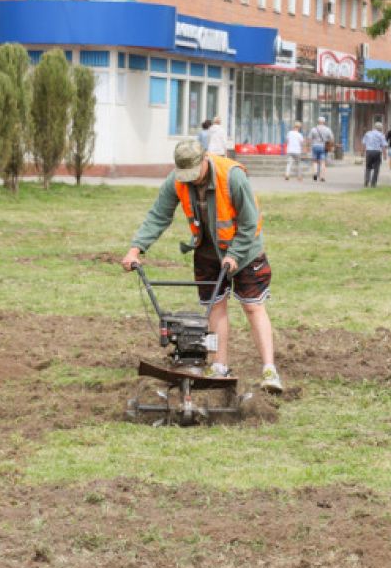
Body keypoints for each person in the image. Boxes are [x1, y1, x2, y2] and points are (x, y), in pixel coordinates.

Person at [121, 139, 282, 394]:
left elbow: (251, 222)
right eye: (186, 176)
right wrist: (136, 248)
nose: (192, 180)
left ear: (205, 159)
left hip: (245, 250)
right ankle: (219, 366)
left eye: (195, 174)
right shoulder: (177, 180)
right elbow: (158, 215)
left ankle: (269, 370)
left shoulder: (232, 176)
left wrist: (235, 255)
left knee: (252, 307)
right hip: (207, 251)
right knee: (214, 307)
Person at [309, 116, 334, 181]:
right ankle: (322, 177)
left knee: (315, 161)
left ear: (318, 121)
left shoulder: (313, 129)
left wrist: (309, 146)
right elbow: (331, 138)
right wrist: (331, 146)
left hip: (315, 146)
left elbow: (310, 139)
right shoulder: (327, 129)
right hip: (323, 147)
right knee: (322, 162)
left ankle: (315, 174)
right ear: (324, 122)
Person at [363, 121, 387, 188]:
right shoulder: (381, 135)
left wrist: (363, 152)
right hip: (377, 152)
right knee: (376, 168)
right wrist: (385, 155)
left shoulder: (368, 133)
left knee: (368, 167)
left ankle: (366, 182)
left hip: (369, 152)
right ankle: (373, 184)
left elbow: (364, 143)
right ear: (380, 128)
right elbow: (383, 146)